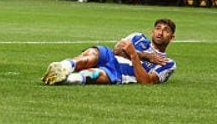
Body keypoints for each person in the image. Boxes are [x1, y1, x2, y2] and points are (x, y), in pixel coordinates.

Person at [42, 19, 176, 85]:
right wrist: (144, 55)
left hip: (120, 72)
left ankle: (61, 79)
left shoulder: (168, 63)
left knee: (93, 75)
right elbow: (117, 50)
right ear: (152, 31)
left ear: (172, 38)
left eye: (166, 30)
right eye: (158, 28)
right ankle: (62, 66)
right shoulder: (138, 37)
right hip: (110, 56)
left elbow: (146, 81)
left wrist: (134, 55)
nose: (160, 32)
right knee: (92, 54)